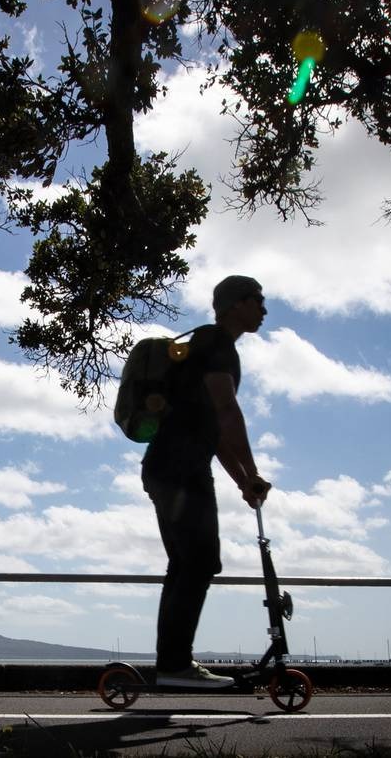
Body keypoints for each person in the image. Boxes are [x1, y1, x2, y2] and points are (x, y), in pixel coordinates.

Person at [141, 275, 271, 689]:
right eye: (258, 301)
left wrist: (241, 481)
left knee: (188, 563)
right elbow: (226, 410)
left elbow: (212, 433)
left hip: (170, 466)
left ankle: (171, 665)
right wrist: (252, 473)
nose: (264, 310)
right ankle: (175, 667)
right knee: (197, 562)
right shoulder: (217, 345)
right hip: (180, 469)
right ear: (235, 304)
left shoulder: (203, 346)